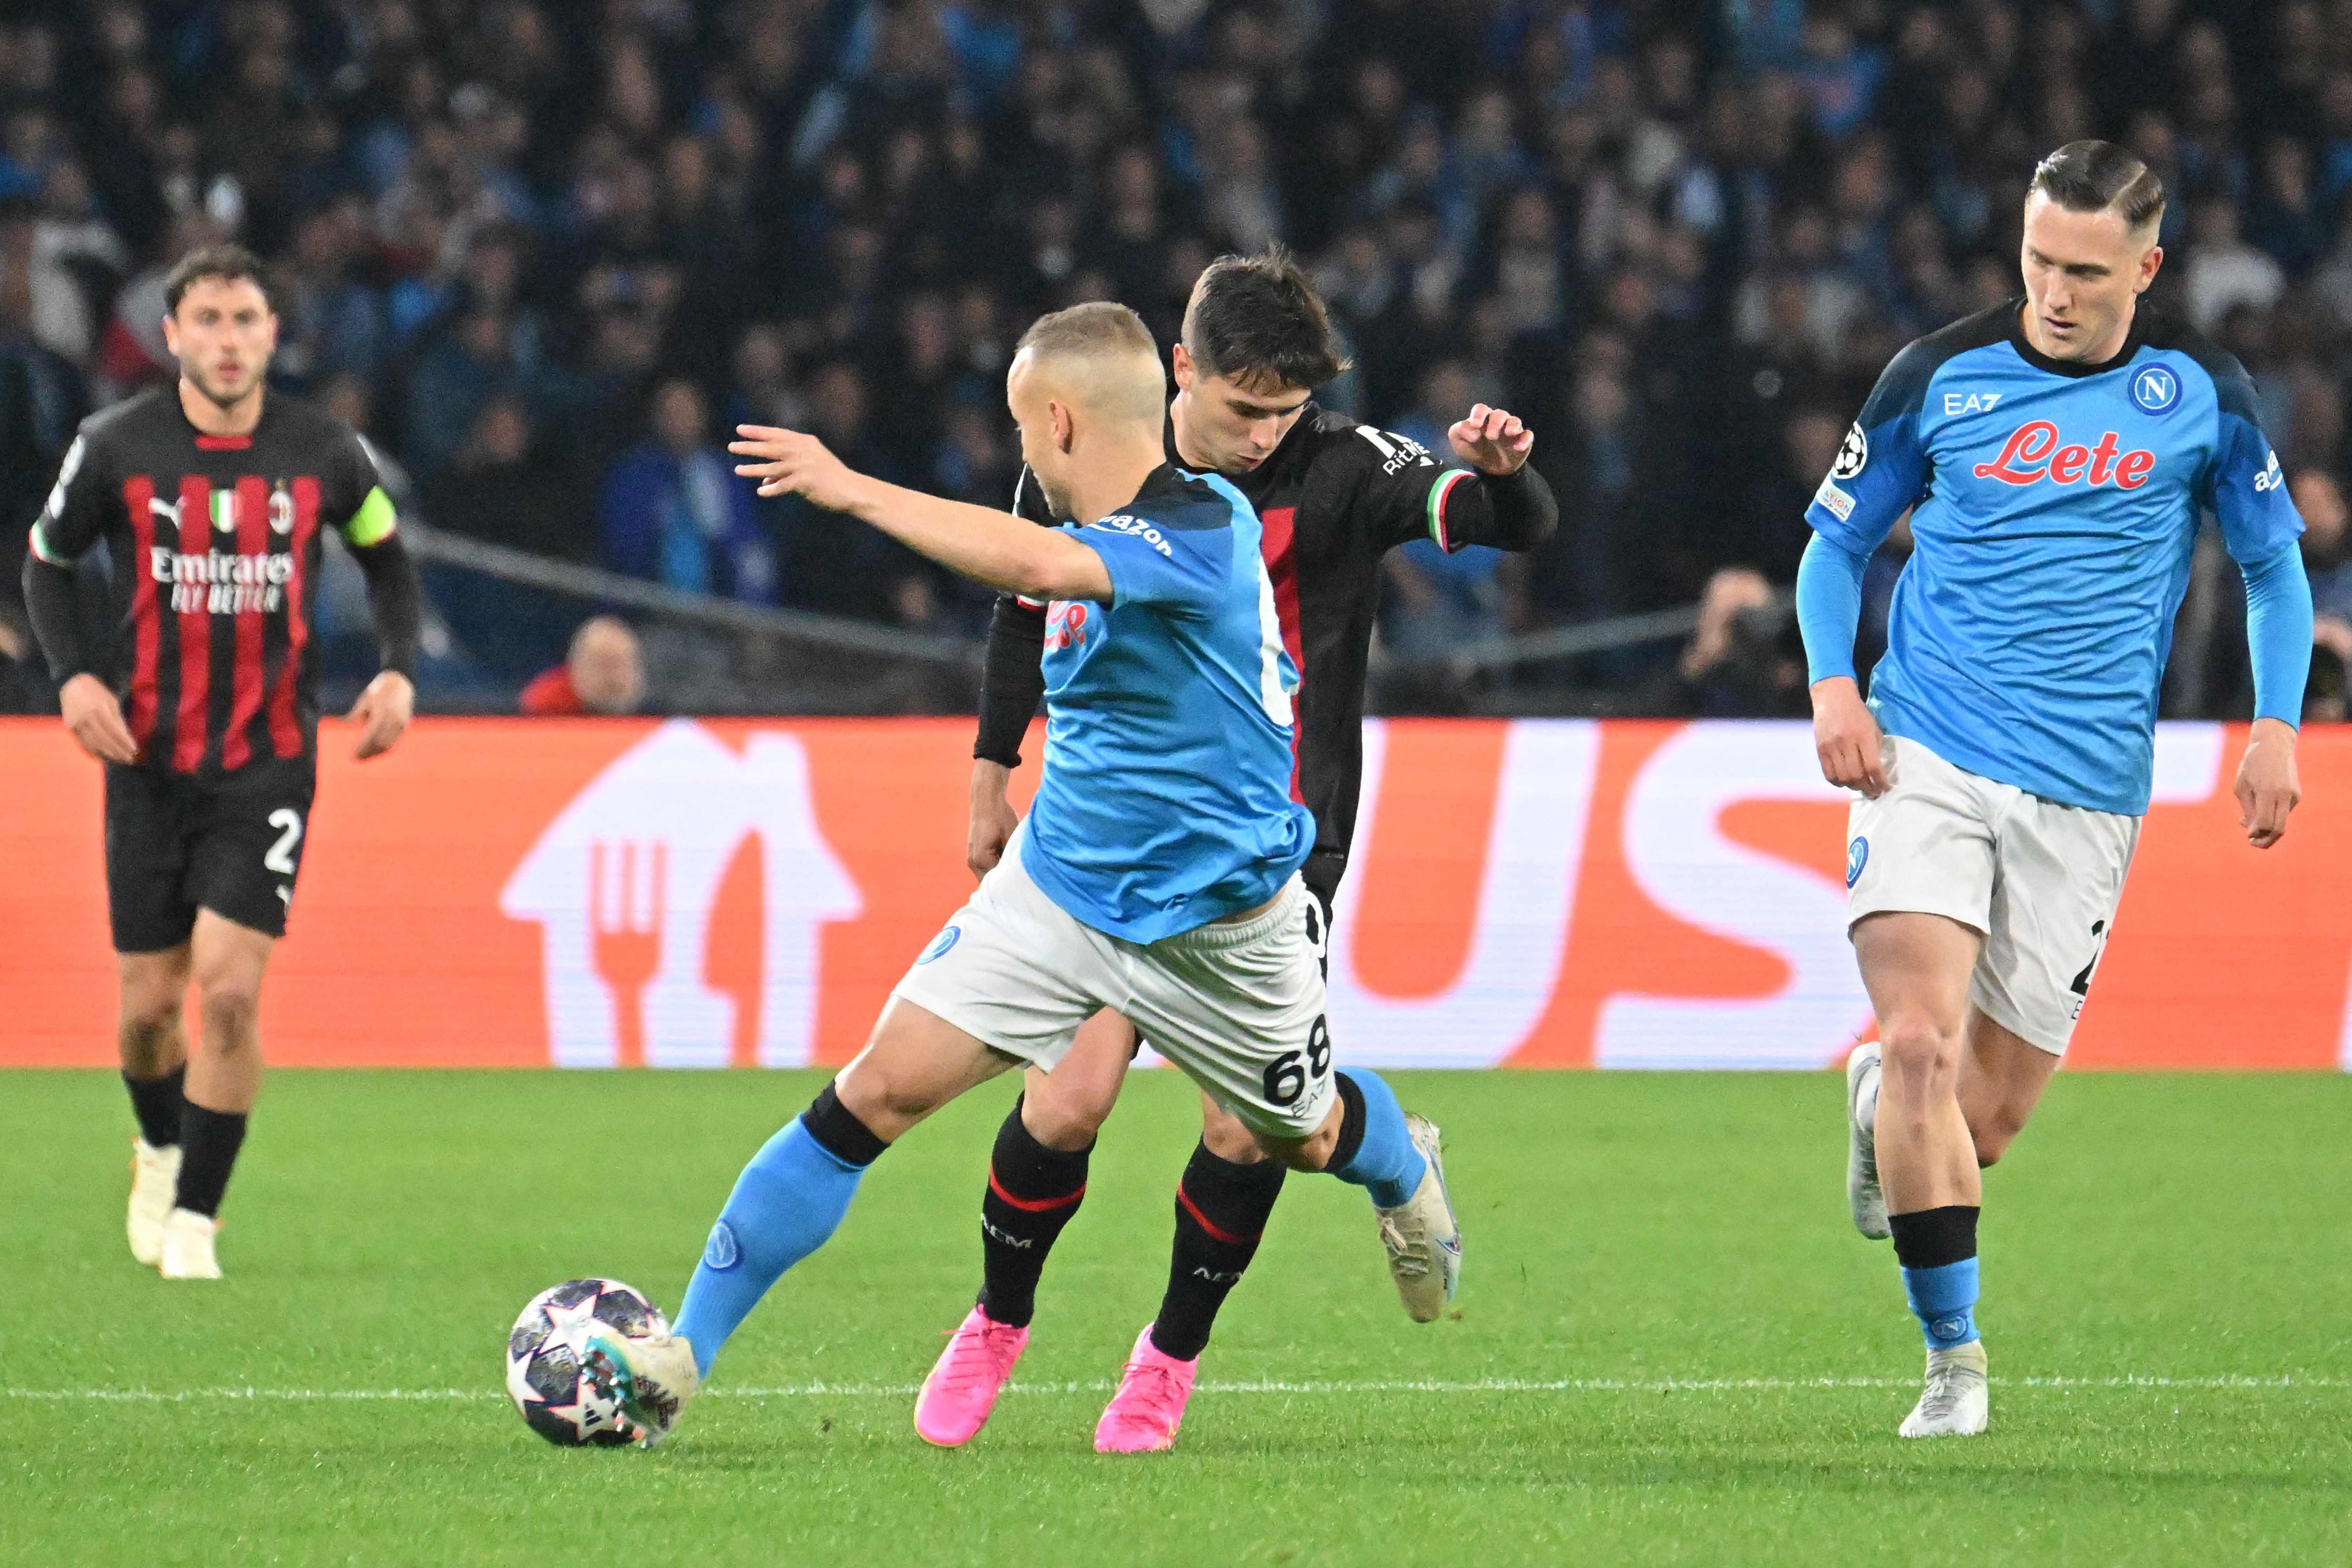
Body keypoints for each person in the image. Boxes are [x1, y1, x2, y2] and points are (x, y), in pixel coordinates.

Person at [586, 302, 1461, 1454]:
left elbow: (1046, 565)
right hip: (1060, 891)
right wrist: (991, 776)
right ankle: (681, 1357)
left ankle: (1399, 1159)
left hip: (1223, 926)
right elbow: (1027, 593)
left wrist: (853, 487)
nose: (1017, 452)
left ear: (1056, 418)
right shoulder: (1079, 513)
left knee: (1297, 1136)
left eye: (1018, 429)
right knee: (876, 1093)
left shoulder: (1203, 527)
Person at [933, 250, 1556, 1451]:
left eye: (1286, 409)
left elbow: (1502, 527)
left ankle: (1167, 1360)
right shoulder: (1092, 460)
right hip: (1109, 835)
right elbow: (1019, 615)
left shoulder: (1343, 468)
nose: (1268, 432)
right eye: (1243, 407)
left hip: (1278, 843)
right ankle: (995, 1321)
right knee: (1066, 1101)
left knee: (1243, 1129)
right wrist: (988, 775)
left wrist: (1510, 479)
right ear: (1181, 370)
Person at [1798, 142, 2310, 1439]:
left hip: (2087, 791)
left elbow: (2273, 571)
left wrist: (2275, 728)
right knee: (1919, 1039)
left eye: (2086, 270)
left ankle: (1884, 1107)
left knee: (1987, 1120)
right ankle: (1953, 1359)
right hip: (1928, 751)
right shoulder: (1938, 375)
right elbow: (1836, 543)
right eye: (2037, 260)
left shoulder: (2201, 393)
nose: (2056, 290)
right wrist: (1832, 686)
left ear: (2146, 266)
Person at [20, 244, 421, 1279]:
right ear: (173, 337)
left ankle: (197, 1216)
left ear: (272, 335)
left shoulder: (326, 451)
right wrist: (72, 678)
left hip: (268, 762)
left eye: (246, 320)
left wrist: (396, 669)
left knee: (230, 991)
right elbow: (50, 562)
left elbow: (386, 556)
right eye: (207, 321)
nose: (228, 340)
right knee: (149, 1011)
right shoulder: (114, 445)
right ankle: (158, 1141)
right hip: (147, 760)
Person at [518, 615, 644, 715]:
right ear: (577, 667)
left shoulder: (655, 711)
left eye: (619, 665)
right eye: (602, 665)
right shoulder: (546, 704)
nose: (610, 677)